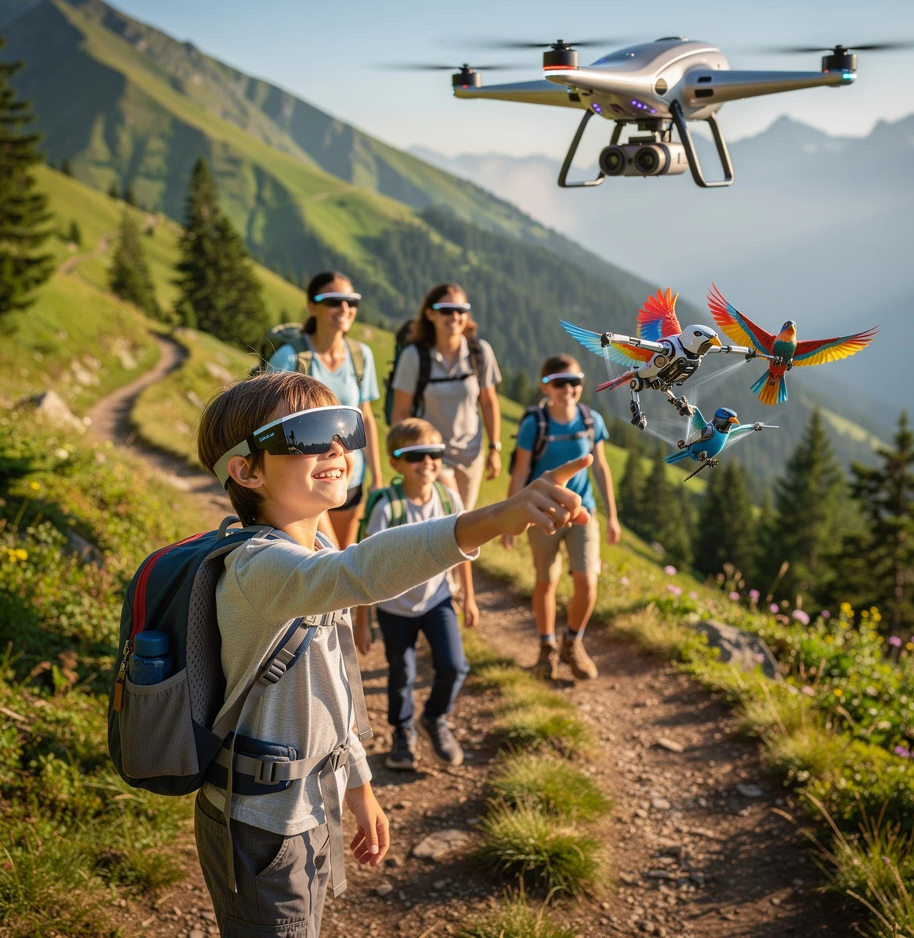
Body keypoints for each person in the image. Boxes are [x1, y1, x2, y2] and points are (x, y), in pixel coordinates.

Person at [193, 371, 593, 936]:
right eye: (305, 434)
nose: (335, 447)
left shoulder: (317, 548)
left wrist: (358, 785)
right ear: (247, 469)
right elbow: (362, 571)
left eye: (341, 427)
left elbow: (334, 685)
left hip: (305, 807)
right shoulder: (258, 568)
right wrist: (497, 517)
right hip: (258, 823)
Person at [354, 418, 478, 772]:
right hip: (394, 607)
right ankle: (402, 734)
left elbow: (463, 546)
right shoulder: (386, 508)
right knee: (401, 674)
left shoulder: (447, 497)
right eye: (415, 456)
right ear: (395, 463)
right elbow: (365, 567)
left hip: (438, 598)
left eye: (434, 454)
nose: (427, 463)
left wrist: (468, 597)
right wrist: (363, 622)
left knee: (454, 667)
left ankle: (434, 719)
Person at [503, 354, 621, 681]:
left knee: (587, 582)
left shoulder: (590, 420)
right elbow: (522, 470)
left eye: (574, 382)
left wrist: (612, 516)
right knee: (546, 582)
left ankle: (572, 642)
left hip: (584, 514)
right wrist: (508, 519)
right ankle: (547, 648)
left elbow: (601, 467)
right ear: (546, 386)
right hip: (543, 513)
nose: (567, 389)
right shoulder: (534, 424)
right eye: (559, 383)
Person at [267, 271, 383, 547]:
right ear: (312, 306)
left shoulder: (360, 356)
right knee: (327, 559)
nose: (344, 308)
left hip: (350, 474)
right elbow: (268, 421)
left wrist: (377, 477)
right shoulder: (290, 357)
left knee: (344, 554)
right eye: (334, 300)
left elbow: (364, 416)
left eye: (351, 301)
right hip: (308, 478)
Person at [390, 283, 502, 511]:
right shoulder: (414, 357)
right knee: (454, 514)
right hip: (430, 453)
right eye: (446, 310)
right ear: (430, 314)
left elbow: (489, 403)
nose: (455, 316)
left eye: (461, 310)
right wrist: (402, 454)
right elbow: (402, 411)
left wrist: (494, 448)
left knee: (460, 522)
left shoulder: (479, 352)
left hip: (471, 455)